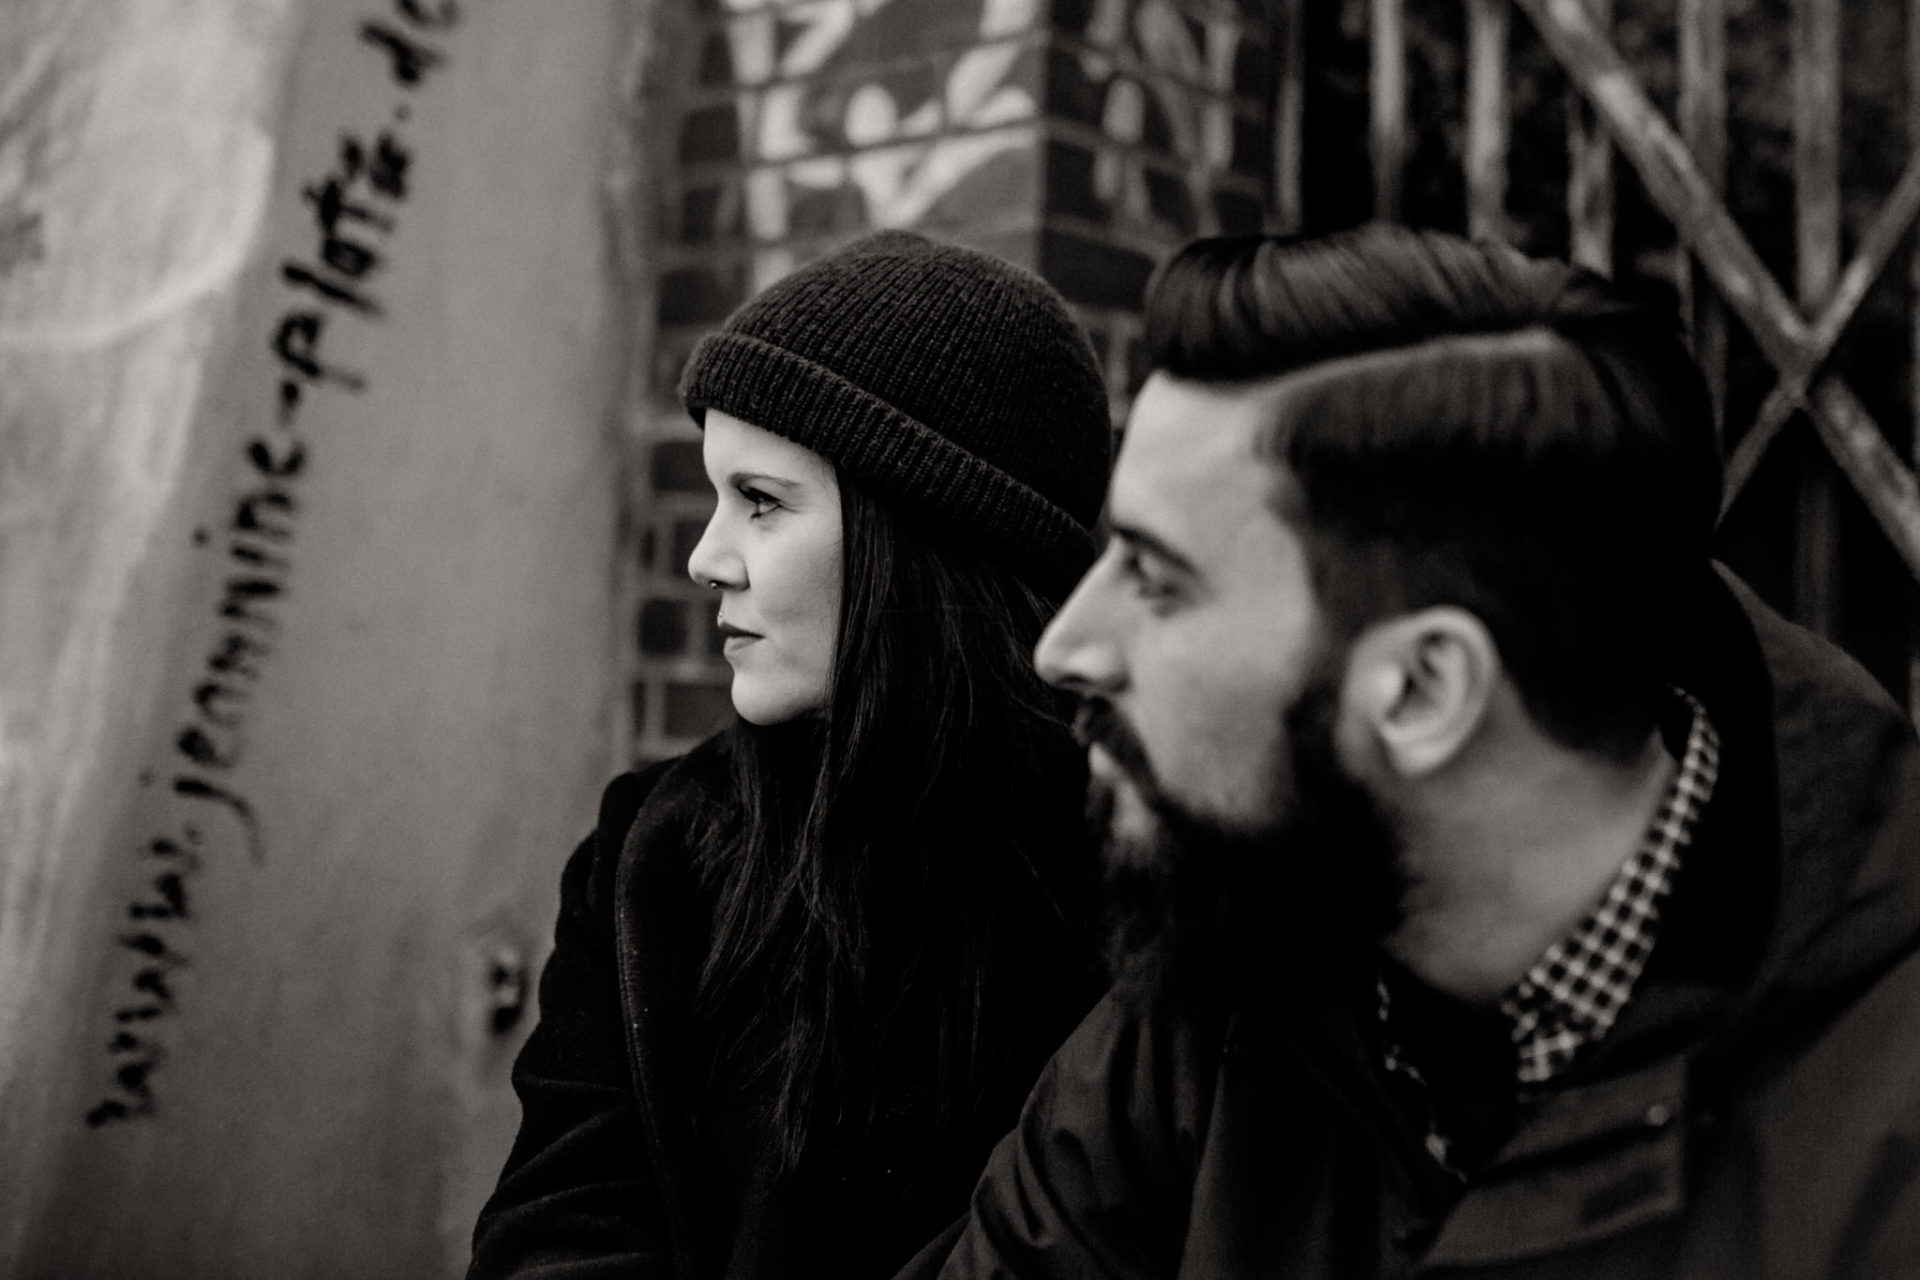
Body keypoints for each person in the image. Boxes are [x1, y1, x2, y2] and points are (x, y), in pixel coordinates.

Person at [905, 226, 1920, 1278]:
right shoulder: (1227, 966)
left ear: (1427, 689)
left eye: (1157, 578)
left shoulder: (1881, 1136)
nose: (1065, 645)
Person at [468, 230, 1115, 1280]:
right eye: (715, 495)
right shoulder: (659, 856)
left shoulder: (1139, 885)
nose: (705, 556)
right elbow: (555, 1231)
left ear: (925, 533)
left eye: (762, 502)